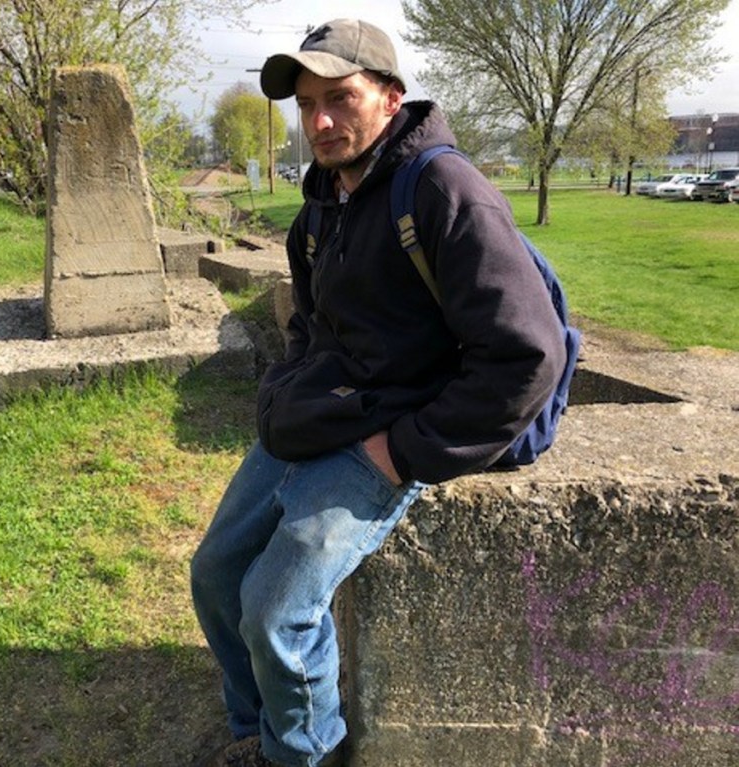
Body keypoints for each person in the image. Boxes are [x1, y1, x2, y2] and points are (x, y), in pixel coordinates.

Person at [191, 18, 566, 767]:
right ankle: (255, 731)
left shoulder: (442, 191)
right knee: (216, 573)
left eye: (340, 97)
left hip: (397, 430)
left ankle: (303, 754)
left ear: (390, 99)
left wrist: (401, 452)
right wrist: (290, 387)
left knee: (276, 609)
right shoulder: (321, 206)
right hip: (322, 414)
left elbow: (527, 355)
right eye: (305, 104)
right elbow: (309, 326)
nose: (319, 122)